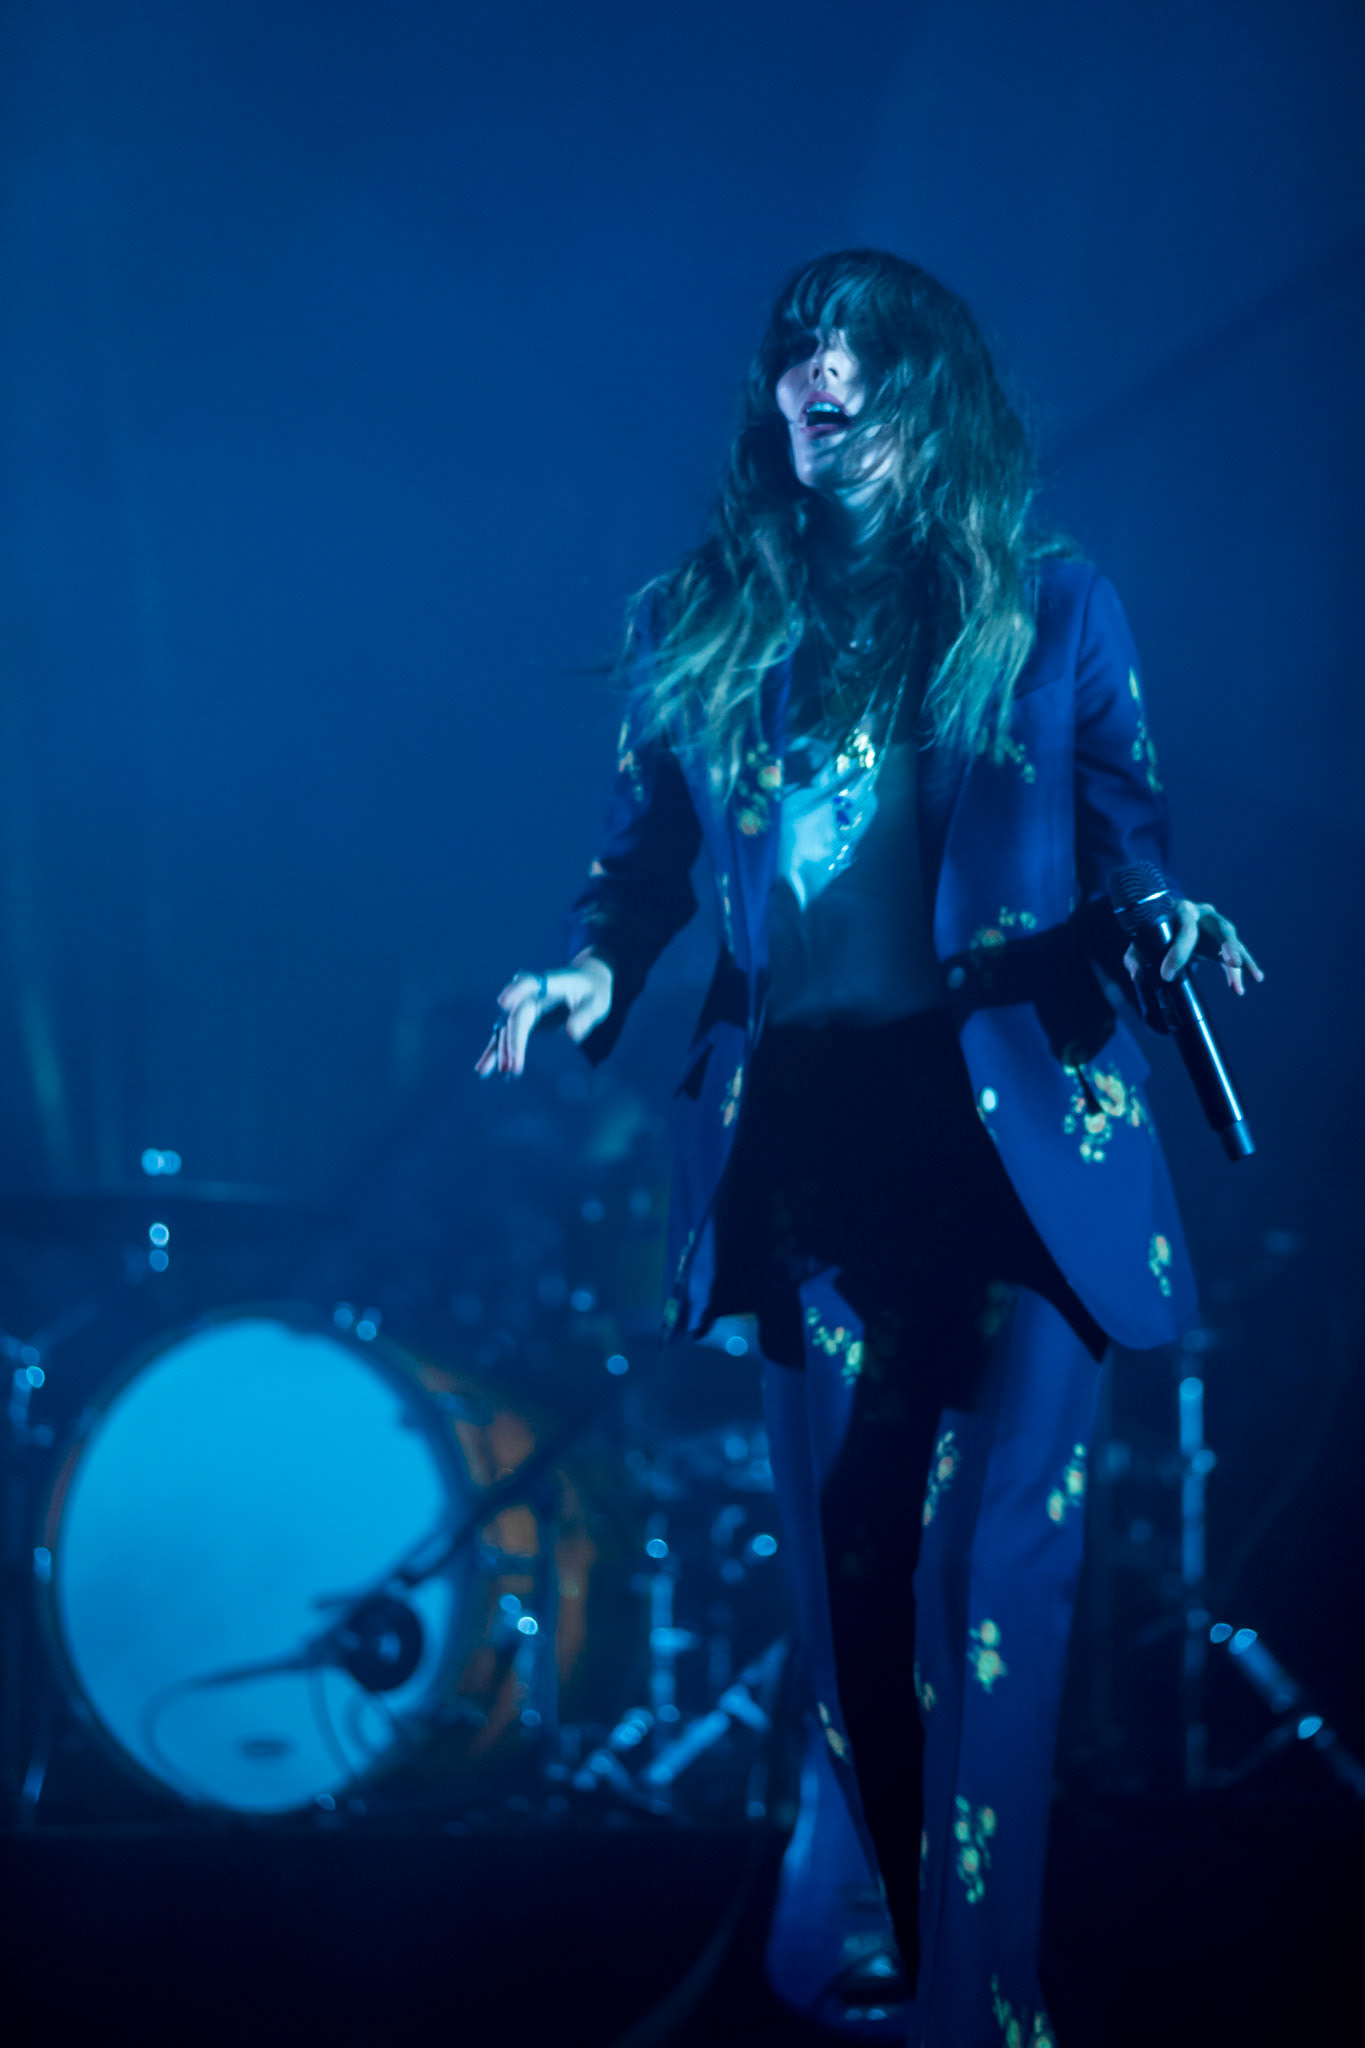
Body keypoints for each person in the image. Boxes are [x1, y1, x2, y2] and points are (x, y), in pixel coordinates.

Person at [476, 249, 1262, 2047]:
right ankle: (873, 1904)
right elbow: (639, 878)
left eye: (859, 360)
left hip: (1018, 1136)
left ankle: (980, 2008)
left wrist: (1167, 925)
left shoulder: (1052, 609)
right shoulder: (704, 623)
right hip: (817, 1133)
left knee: (1000, 1567)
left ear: (932, 395)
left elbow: (1129, 841)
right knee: (857, 1575)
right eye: (795, 364)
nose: (819, 383)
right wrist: (584, 976)